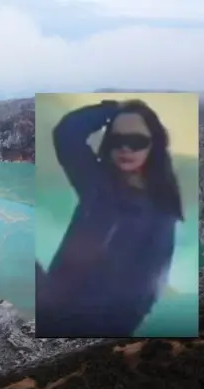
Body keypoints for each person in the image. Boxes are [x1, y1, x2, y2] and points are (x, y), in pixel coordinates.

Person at [35, 99, 183, 338]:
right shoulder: (98, 184)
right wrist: (113, 110)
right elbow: (67, 133)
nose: (125, 148)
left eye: (136, 141)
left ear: (154, 145)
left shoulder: (161, 212)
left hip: (90, 328)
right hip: (49, 311)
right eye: (117, 140)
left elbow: (147, 290)